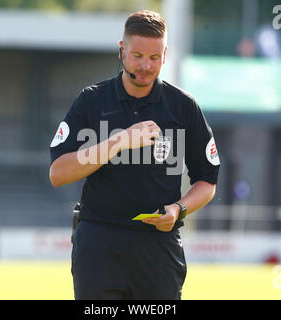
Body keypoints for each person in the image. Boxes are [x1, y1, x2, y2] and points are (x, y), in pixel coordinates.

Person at [49, 10, 220, 300]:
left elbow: (208, 181)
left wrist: (179, 208)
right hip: (99, 241)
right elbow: (58, 173)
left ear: (165, 55)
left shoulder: (183, 107)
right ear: (121, 50)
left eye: (154, 58)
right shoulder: (92, 100)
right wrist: (118, 141)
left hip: (159, 247)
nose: (145, 65)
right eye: (137, 55)